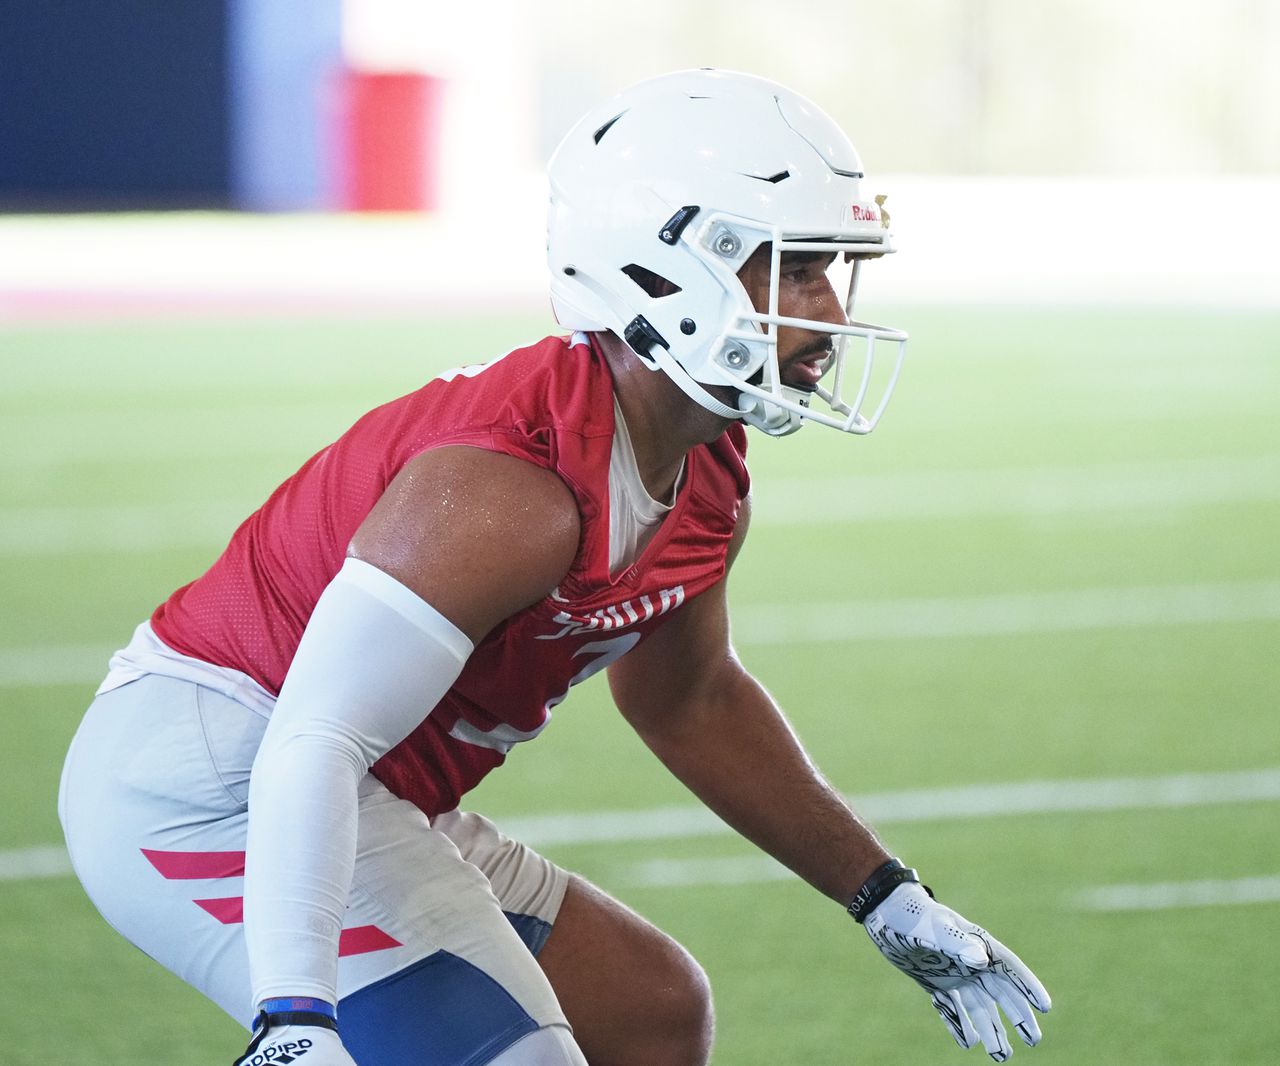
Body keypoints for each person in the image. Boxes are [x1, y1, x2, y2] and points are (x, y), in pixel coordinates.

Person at [58, 69, 1050, 1066]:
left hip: (358, 782)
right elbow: (308, 740)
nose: (828, 307)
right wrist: (295, 1020)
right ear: (660, 274)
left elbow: (688, 702)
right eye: (792, 269)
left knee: (649, 1014)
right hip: (215, 779)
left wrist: (883, 894)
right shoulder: (511, 486)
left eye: (830, 267)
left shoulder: (703, 469)